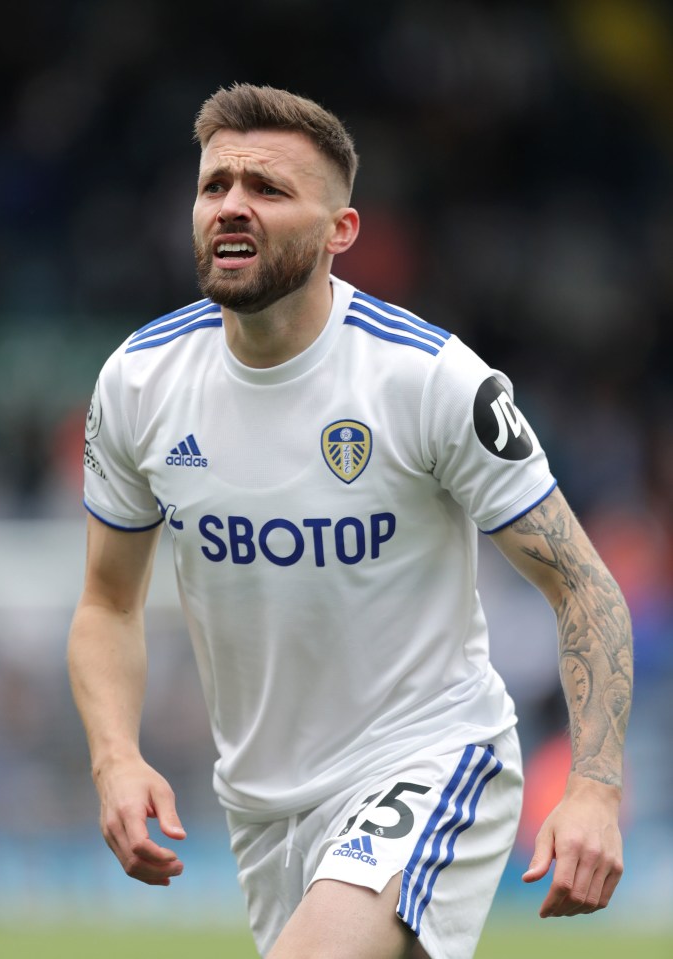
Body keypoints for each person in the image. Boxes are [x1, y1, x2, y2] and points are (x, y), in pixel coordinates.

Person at [68, 83, 633, 959]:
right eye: (215, 185)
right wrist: (115, 757)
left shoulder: (430, 380)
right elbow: (107, 601)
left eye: (268, 188)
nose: (232, 207)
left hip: (432, 757)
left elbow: (584, 585)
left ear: (342, 231)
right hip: (261, 807)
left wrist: (594, 785)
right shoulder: (138, 382)